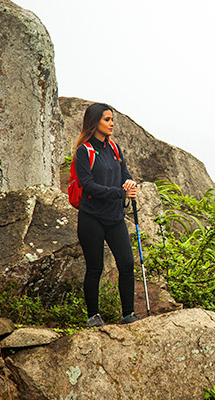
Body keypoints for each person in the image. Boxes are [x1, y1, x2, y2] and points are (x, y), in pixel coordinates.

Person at [74, 103, 140, 327]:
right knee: (95, 268)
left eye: (112, 119)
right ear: (95, 123)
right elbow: (88, 186)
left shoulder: (114, 149)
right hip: (91, 217)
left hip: (115, 217)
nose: (112, 124)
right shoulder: (84, 151)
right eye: (107, 119)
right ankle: (93, 316)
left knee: (127, 263)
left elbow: (125, 174)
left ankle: (128, 313)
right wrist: (118, 192)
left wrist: (129, 184)